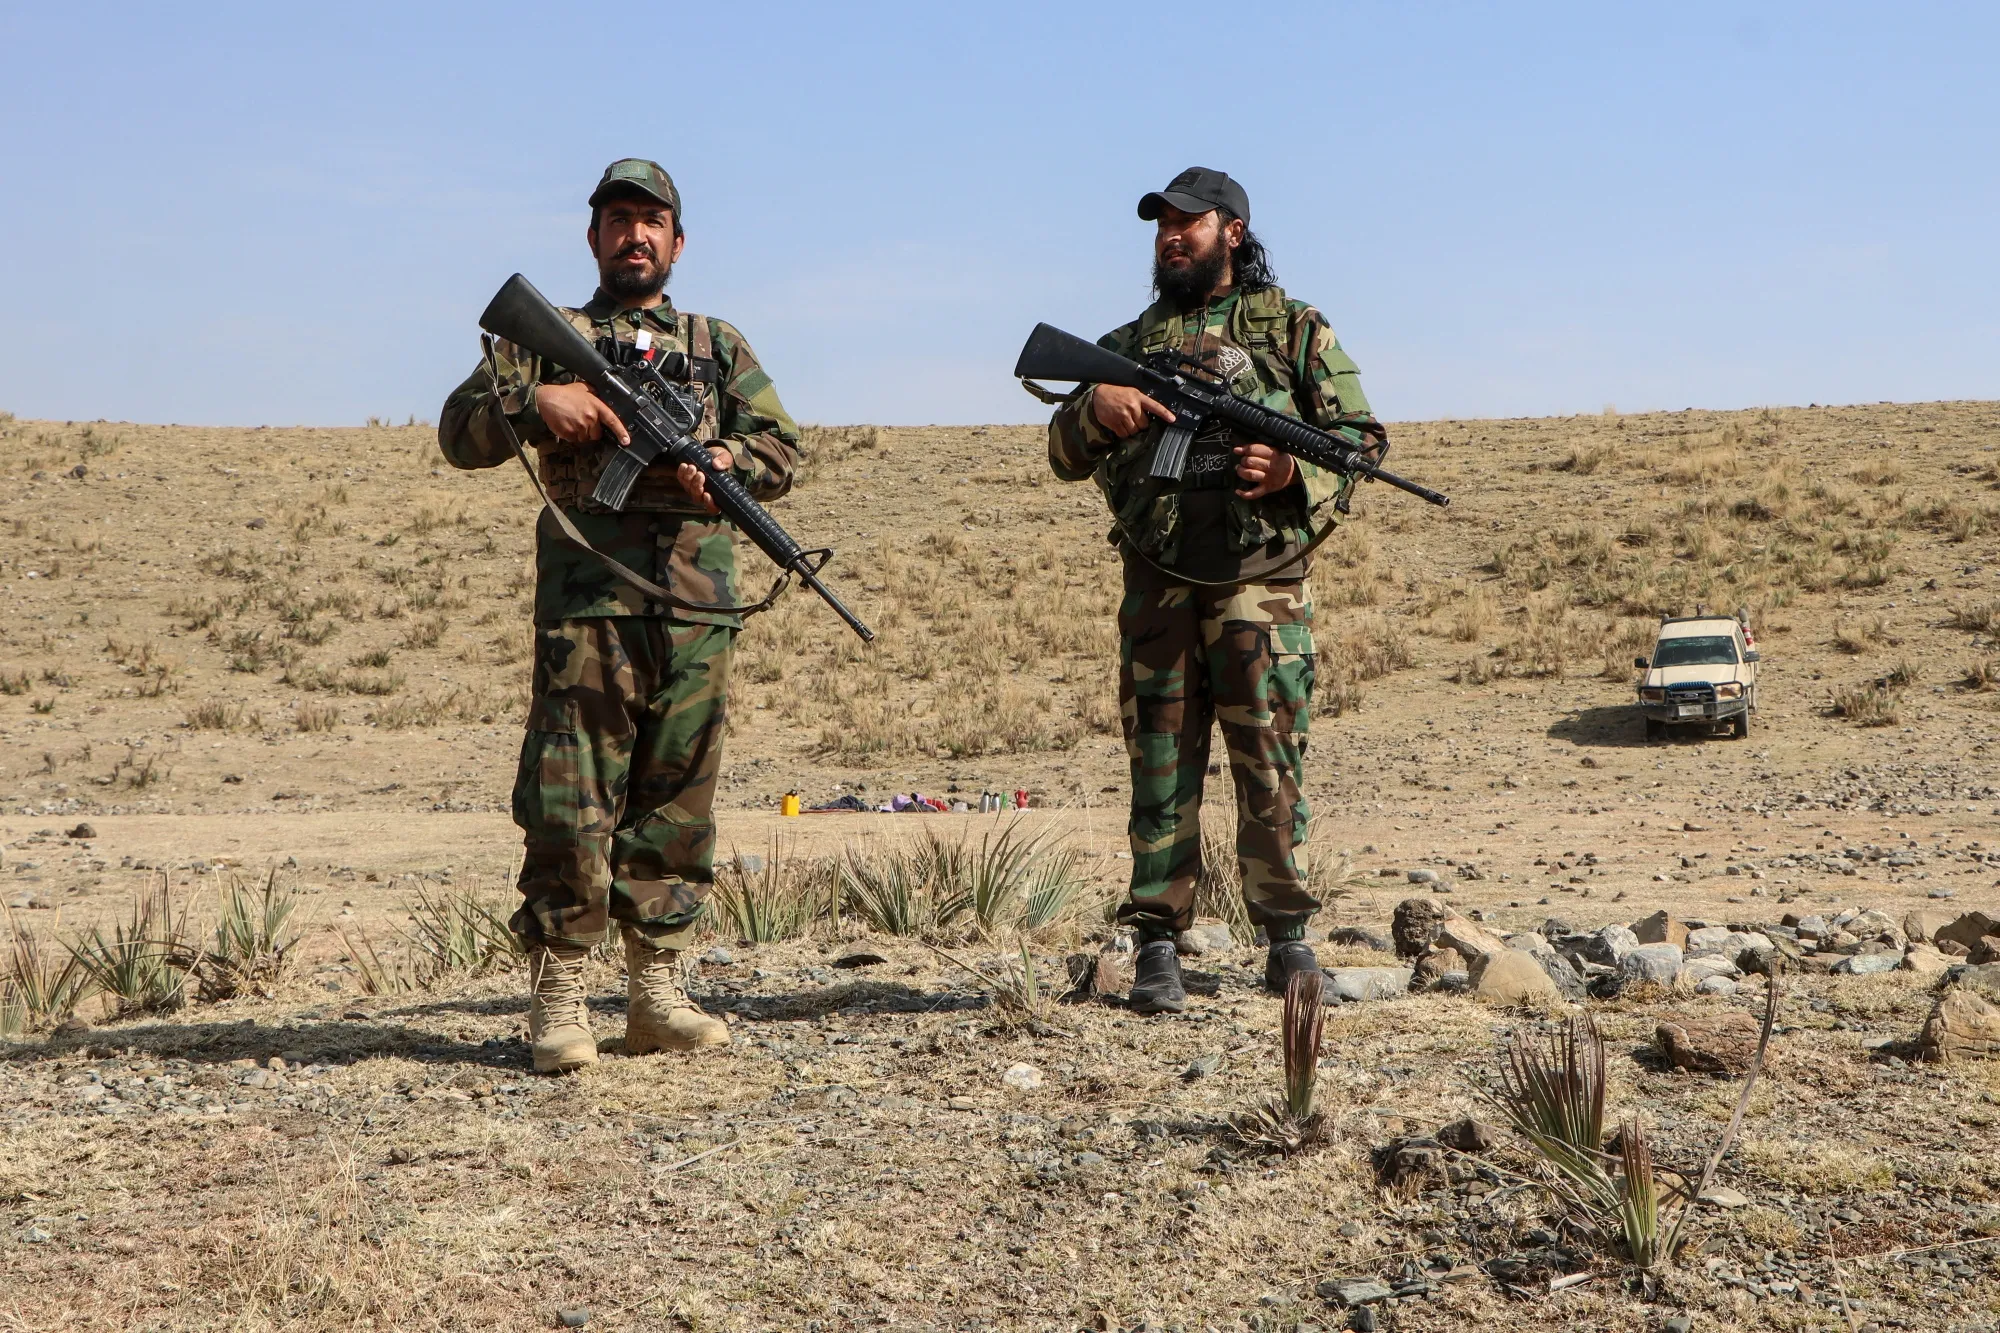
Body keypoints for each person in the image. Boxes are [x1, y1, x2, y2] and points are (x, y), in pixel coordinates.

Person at [438, 159, 803, 1072]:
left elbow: (780, 450)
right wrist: (536, 402)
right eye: (619, 218)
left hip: (695, 606)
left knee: (676, 799)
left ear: (678, 241)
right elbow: (457, 432)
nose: (635, 234)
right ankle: (560, 992)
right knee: (570, 795)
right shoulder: (547, 341)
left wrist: (720, 456)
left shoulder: (718, 345)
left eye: (652, 220)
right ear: (595, 236)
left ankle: (655, 993)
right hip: (588, 603)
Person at [1043, 167, 1389, 1014]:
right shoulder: (1126, 344)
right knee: (1160, 761)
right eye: (1162, 223)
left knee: (1269, 761)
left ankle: (1287, 939)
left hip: (1259, 588)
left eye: (1189, 223)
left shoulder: (1291, 327)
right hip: (1157, 586)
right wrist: (1099, 411)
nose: (1171, 235)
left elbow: (1361, 440)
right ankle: (1159, 939)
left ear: (1232, 231)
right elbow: (1060, 450)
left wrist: (1287, 470)